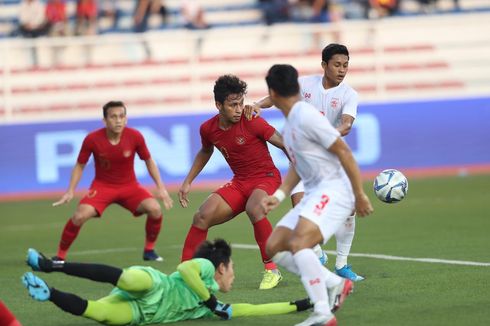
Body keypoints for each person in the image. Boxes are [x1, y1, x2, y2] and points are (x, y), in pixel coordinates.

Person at [261, 64, 374, 326]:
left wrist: (359, 194)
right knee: (275, 246)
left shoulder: (306, 116)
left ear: (273, 92)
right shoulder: (290, 126)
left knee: (300, 244)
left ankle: (323, 312)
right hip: (315, 193)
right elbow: (297, 167)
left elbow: (343, 151)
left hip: (335, 191)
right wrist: (278, 196)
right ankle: (334, 283)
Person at [246, 43, 365, 282]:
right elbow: (278, 96)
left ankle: (340, 265)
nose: (342, 70)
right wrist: (258, 104)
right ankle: (320, 261)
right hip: (305, 163)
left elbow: (346, 124)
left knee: (344, 214)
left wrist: (327, 133)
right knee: (292, 221)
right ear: (324, 65)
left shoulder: (347, 96)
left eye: (345, 65)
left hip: (329, 163)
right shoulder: (301, 97)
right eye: (337, 65)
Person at [22, 240, 313, 325]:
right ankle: (52, 265)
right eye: (232, 270)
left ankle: (50, 293)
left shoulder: (213, 305)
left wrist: (300, 304)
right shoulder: (206, 269)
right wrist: (212, 302)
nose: (233, 277)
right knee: (127, 278)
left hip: (147, 314)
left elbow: (251, 310)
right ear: (222, 266)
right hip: (155, 285)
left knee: (99, 313)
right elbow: (185, 269)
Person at [178, 75, 287, 290]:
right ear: (218, 105)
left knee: (254, 209)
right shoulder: (208, 129)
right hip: (240, 183)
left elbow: (284, 143)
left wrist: (303, 175)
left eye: (240, 103)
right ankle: (185, 273)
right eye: (232, 105)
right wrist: (188, 181)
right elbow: (205, 151)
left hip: (266, 177)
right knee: (201, 216)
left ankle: (272, 270)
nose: (239, 109)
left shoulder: (252, 120)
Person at [52, 101, 173, 262]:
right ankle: (60, 256)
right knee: (79, 216)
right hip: (102, 187)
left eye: (121, 116)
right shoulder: (92, 139)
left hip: (130, 186)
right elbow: (80, 165)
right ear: (105, 120)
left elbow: (149, 161)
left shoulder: (135, 136)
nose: (118, 120)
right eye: (113, 117)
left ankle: (149, 251)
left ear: (126, 119)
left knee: (155, 209)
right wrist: (70, 190)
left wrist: (161, 188)